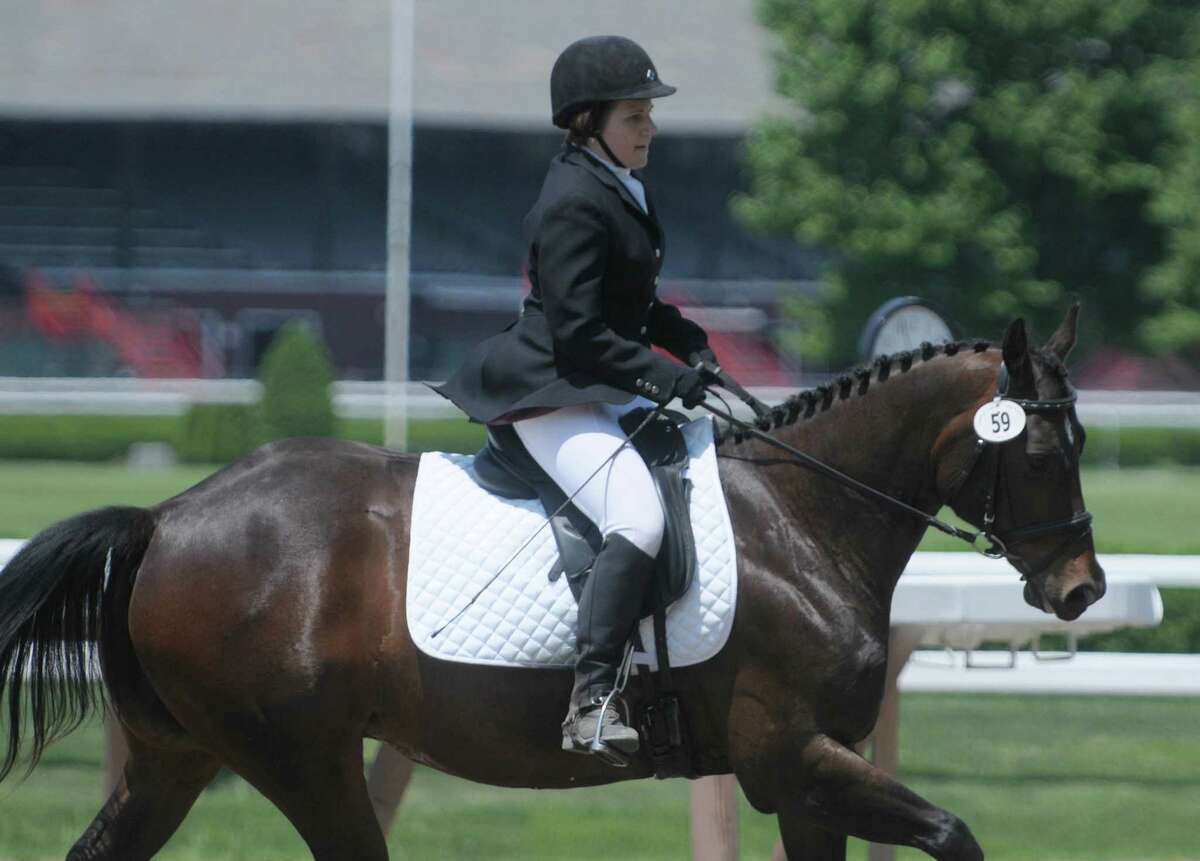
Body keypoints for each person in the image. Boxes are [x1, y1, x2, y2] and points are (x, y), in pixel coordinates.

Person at [432, 35, 719, 760]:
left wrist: (682, 337)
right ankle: (592, 701)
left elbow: (628, 300)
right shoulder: (571, 199)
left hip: (591, 382)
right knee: (640, 518)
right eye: (634, 115)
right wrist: (662, 376)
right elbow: (581, 330)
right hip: (549, 391)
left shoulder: (620, 183)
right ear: (587, 121)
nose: (649, 127)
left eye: (649, 113)